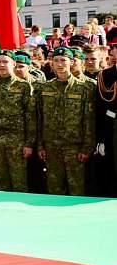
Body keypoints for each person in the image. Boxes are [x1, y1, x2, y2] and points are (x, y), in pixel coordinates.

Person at [38, 47, 94, 195]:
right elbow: (39, 119)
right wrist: (40, 145)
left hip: (74, 146)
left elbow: (88, 121)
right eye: (56, 60)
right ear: (52, 63)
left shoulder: (83, 88)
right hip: (51, 146)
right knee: (54, 187)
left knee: (76, 188)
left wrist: (86, 148)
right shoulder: (45, 88)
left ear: (71, 62)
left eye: (63, 60)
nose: (60, 64)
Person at [0, 51, 35, 192]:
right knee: (1, 181)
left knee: (19, 182)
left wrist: (29, 144)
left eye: (5, 62)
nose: (1, 65)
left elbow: (30, 117)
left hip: (17, 141)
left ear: (13, 64)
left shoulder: (24, 86)